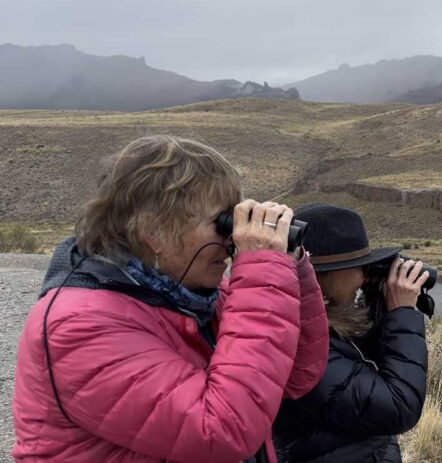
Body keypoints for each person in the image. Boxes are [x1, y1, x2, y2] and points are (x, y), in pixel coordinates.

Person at [10, 135, 330, 462]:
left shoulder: (193, 296)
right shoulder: (78, 326)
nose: (232, 238)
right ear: (155, 233)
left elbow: (296, 376)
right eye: (222, 224)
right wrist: (262, 270)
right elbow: (220, 430)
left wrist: (288, 264)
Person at [272, 203, 429, 462]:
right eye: (360, 267)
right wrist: (402, 314)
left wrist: (378, 301)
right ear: (323, 277)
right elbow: (399, 406)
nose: (364, 277)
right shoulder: (302, 346)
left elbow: (366, 367)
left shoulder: (320, 326)